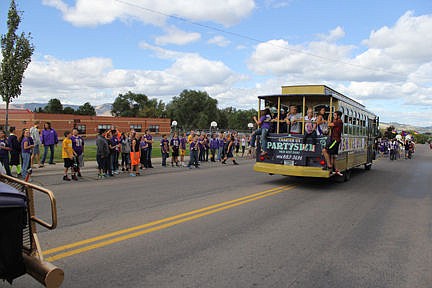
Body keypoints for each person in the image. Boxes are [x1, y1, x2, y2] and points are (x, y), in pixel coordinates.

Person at [322, 111, 343, 176]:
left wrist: (328, 119)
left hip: (335, 140)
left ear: (338, 116)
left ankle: (329, 165)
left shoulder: (339, 121)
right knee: (333, 156)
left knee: (324, 150)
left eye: (335, 115)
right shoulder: (336, 121)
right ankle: (336, 170)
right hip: (335, 140)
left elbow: (329, 124)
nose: (334, 116)